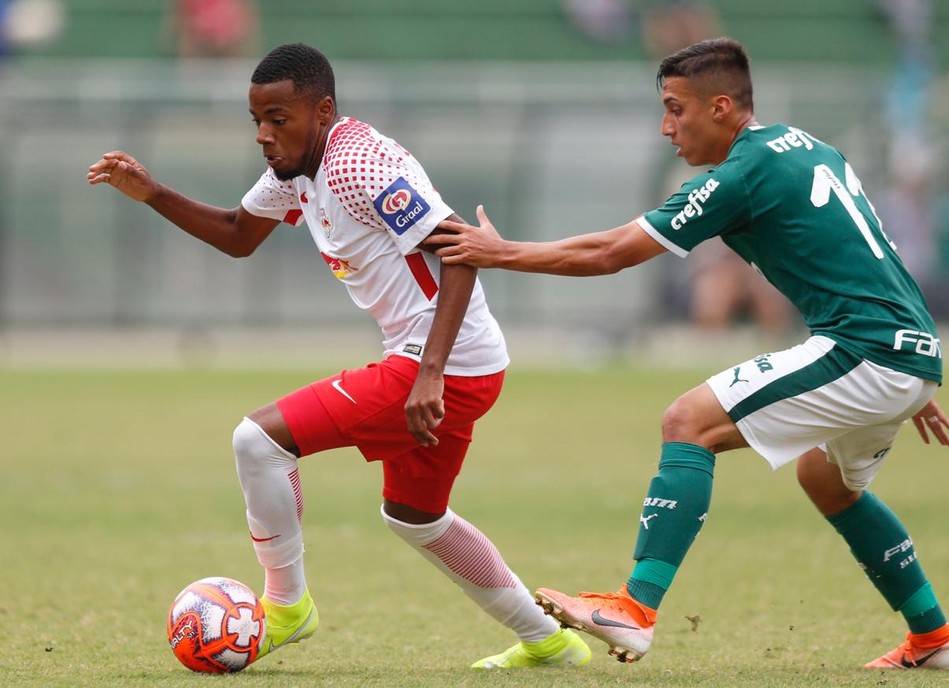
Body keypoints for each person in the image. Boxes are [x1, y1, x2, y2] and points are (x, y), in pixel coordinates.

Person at [427, 37, 949, 671]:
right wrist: (917, 371)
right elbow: (874, 252)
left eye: (674, 109)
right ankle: (935, 640)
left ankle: (634, 610)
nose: (666, 128)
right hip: (903, 350)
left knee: (688, 422)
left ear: (721, 107)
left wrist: (503, 252)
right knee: (826, 479)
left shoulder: (742, 173)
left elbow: (612, 252)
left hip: (869, 350)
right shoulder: (806, 146)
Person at [86, 43, 590, 670]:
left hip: (442, 364)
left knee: (256, 441)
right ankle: (549, 642)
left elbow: (461, 248)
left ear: (321, 110)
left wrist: (429, 372)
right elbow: (239, 236)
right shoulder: (295, 171)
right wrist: (153, 192)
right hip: (458, 363)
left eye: (279, 118)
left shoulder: (358, 164)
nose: (265, 136)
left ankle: (288, 607)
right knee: (414, 515)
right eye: (257, 122)